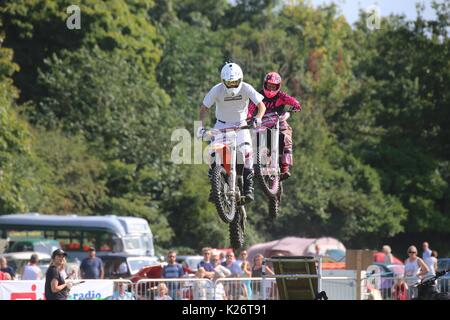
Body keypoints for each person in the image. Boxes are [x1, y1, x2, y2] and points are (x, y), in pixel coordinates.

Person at [197, 62, 266, 202]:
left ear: (240, 79)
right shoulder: (216, 90)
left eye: (235, 82)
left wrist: (258, 118)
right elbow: (203, 108)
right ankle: (215, 187)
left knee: (247, 153)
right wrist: (201, 127)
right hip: (221, 126)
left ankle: (248, 188)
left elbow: (261, 106)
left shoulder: (246, 88)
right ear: (223, 81)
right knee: (212, 154)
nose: (233, 86)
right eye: (229, 83)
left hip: (241, 125)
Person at [247, 71, 301, 180]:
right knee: (250, 139)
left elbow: (294, 101)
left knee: (286, 135)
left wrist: (295, 106)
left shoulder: (281, 96)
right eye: (269, 86)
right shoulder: (258, 96)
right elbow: (250, 108)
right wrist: (248, 116)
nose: (271, 89)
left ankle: (285, 167)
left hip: (279, 120)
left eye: (274, 86)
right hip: (262, 122)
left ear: (278, 86)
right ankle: (252, 166)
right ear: (265, 84)